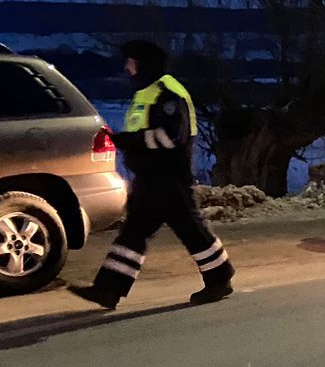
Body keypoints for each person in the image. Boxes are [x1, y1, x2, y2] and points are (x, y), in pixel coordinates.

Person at [69, 40, 234, 309]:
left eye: (130, 61)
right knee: (135, 232)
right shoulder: (147, 92)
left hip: (169, 177)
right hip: (150, 177)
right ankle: (108, 290)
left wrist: (127, 141)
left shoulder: (166, 92)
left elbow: (170, 137)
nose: (126, 66)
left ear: (143, 63)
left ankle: (220, 278)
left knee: (189, 230)